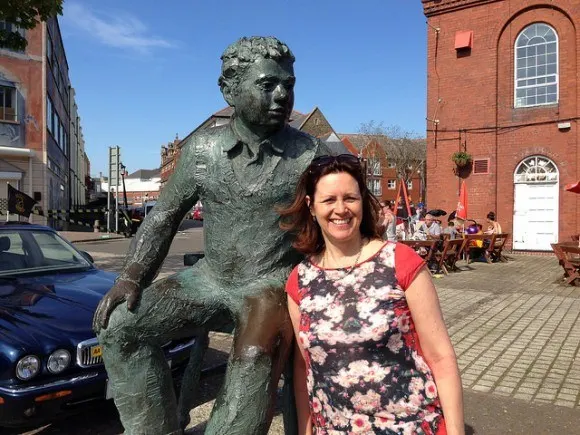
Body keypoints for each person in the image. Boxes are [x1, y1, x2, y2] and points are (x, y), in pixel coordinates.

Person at [92, 36, 329, 435]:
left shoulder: (311, 153)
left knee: (254, 356)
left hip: (270, 286)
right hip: (209, 279)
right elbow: (163, 217)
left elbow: (343, 218)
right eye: (268, 84)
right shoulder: (203, 151)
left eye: (288, 84)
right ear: (230, 91)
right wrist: (132, 276)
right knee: (118, 326)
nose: (282, 95)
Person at [279, 155, 464, 434]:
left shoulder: (400, 261)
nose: (340, 209)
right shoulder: (300, 280)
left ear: (362, 202)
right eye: (329, 200)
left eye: (350, 198)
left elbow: (441, 358)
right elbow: (304, 368)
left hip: (410, 426)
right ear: (311, 206)